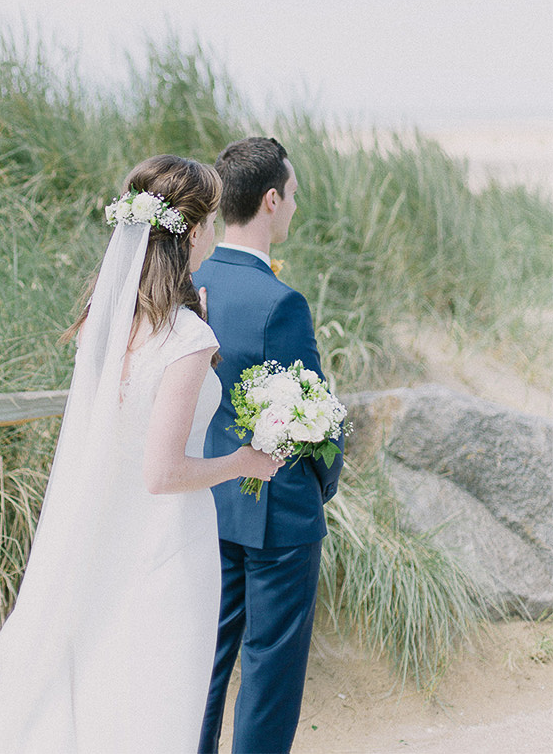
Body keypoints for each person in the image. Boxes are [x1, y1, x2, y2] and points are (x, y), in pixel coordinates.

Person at [0, 154, 283, 753]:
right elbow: (163, 472)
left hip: (101, 529)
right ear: (193, 232)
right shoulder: (187, 338)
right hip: (167, 542)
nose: (217, 232)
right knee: (158, 696)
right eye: (213, 220)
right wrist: (245, 461)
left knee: (99, 681)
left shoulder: (106, 320)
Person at [195, 137, 343, 754]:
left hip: (202, 503)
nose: (294, 212)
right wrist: (322, 489)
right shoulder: (279, 302)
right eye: (293, 198)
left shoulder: (190, 280)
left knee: (203, 663)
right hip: (276, 516)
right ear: (271, 200)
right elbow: (317, 419)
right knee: (269, 672)